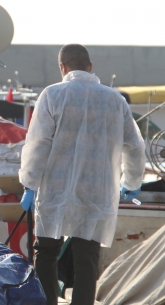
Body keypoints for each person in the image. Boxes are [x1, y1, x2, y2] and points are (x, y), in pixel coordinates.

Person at [19, 44, 146, 305]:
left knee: (46, 253)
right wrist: (132, 182)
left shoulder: (52, 95)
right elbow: (134, 146)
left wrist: (29, 184)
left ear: (62, 68)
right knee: (87, 258)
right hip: (97, 192)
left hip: (56, 189)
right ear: (90, 67)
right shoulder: (115, 100)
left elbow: (38, 143)